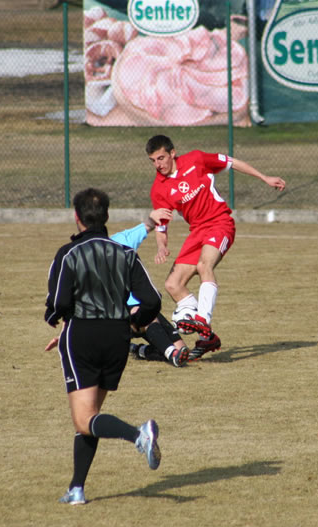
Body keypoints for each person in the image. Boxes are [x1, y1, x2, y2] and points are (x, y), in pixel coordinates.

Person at [44, 188, 163, 505]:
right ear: (107, 217)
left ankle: (138, 435)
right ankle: (77, 489)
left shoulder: (68, 254)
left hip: (81, 335)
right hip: (117, 337)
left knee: (84, 419)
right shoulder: (125, 253)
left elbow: (58, 303)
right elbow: (152, 300)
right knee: (91, 415)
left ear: (77, 217)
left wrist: (60, 321)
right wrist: (134, 321)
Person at [145, 134, 286, 361]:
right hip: (197, 232)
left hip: (220, 222)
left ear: (172, 153)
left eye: (161, 158)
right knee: (173, 284)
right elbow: (161, 226)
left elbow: (231, 162)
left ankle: (203, 320)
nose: (158, 164)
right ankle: (205, 334)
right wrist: (161, 246)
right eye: (153, 160)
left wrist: (264, 177)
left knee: (204, 265)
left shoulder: (197, 159)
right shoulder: (159, 188)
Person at [111, 207, 191, 367]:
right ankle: (172, 354)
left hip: (141, 307)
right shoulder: (87, 254)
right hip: (118, 315)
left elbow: (146, 226)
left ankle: (138, 350)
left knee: (183, 350)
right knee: (148, 314)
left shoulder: (120, 240)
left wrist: (154, 218)